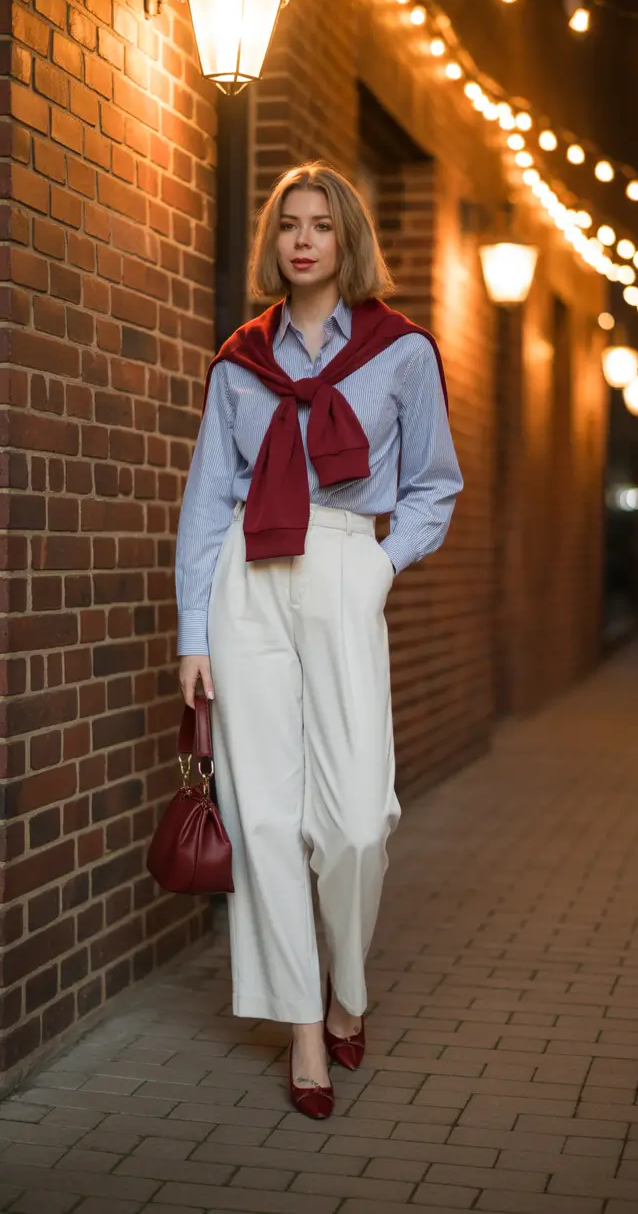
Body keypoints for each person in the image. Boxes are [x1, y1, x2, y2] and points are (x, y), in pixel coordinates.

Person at [175, 162, 463, 1118]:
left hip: (344, 566)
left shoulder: (403, 354)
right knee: (264, 821)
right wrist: (193, 632)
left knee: (354, 823)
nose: (304, 239)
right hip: (245, 585)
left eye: (322, 225)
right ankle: (303, 1025)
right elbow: (207, 501)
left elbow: (434, 485)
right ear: (275, 243)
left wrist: (379, 565)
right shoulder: (238, 363)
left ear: (348, 242)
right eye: (289, 224)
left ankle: (346, 986)